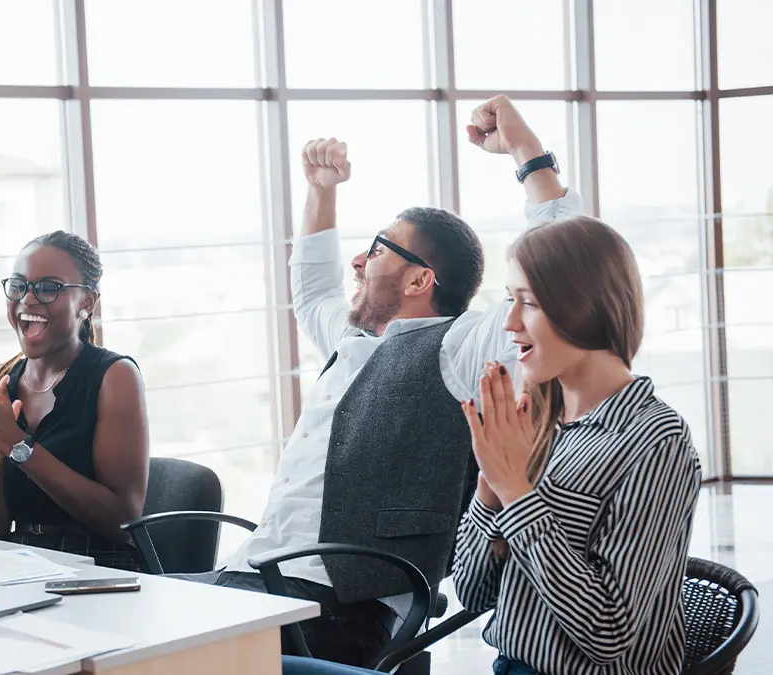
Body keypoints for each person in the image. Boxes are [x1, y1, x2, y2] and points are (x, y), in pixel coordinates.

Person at [173, 95, 583, 667]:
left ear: (420, 279)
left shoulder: (460, 346)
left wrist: (527, 153)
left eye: (375, 250)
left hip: (340, 604)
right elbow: (312, 290)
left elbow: (565, 269)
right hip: (253, 576)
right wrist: (321, 190)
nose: (358, 264)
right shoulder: (352, 338)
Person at [281, 131, 702, 675]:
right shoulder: (544, 429)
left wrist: (515, 492)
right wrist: (489, 489)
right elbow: (478, 590)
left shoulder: (652, 440)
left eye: (524, 303)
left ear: (581, 308)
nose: (507, 321)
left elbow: (609, 633)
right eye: (512, 301)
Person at [0, 231, 149, 571]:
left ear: (86, 303)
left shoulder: (114, 376)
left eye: (48, 288)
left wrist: (18, 446)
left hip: (100, 569)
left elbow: (121, 522)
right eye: (18, 286)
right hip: (19, 567)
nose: (27, 301)